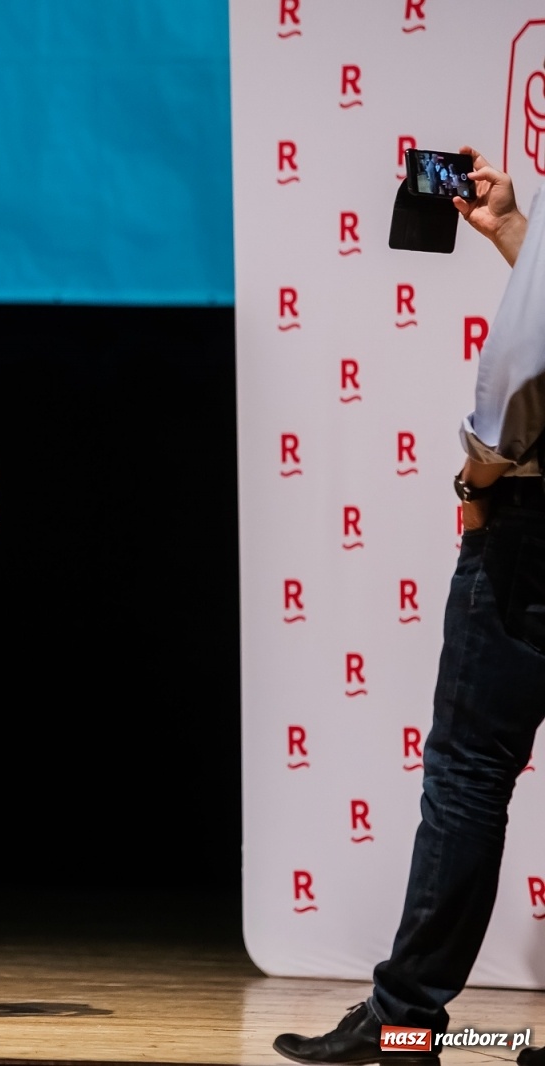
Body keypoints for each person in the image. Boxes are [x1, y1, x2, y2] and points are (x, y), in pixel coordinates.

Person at [274, 148, 543, 1066]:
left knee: (469, 773)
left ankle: (406, 1023)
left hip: (531, 528)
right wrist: (516, 233)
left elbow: (522, 362)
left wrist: (478, 475)